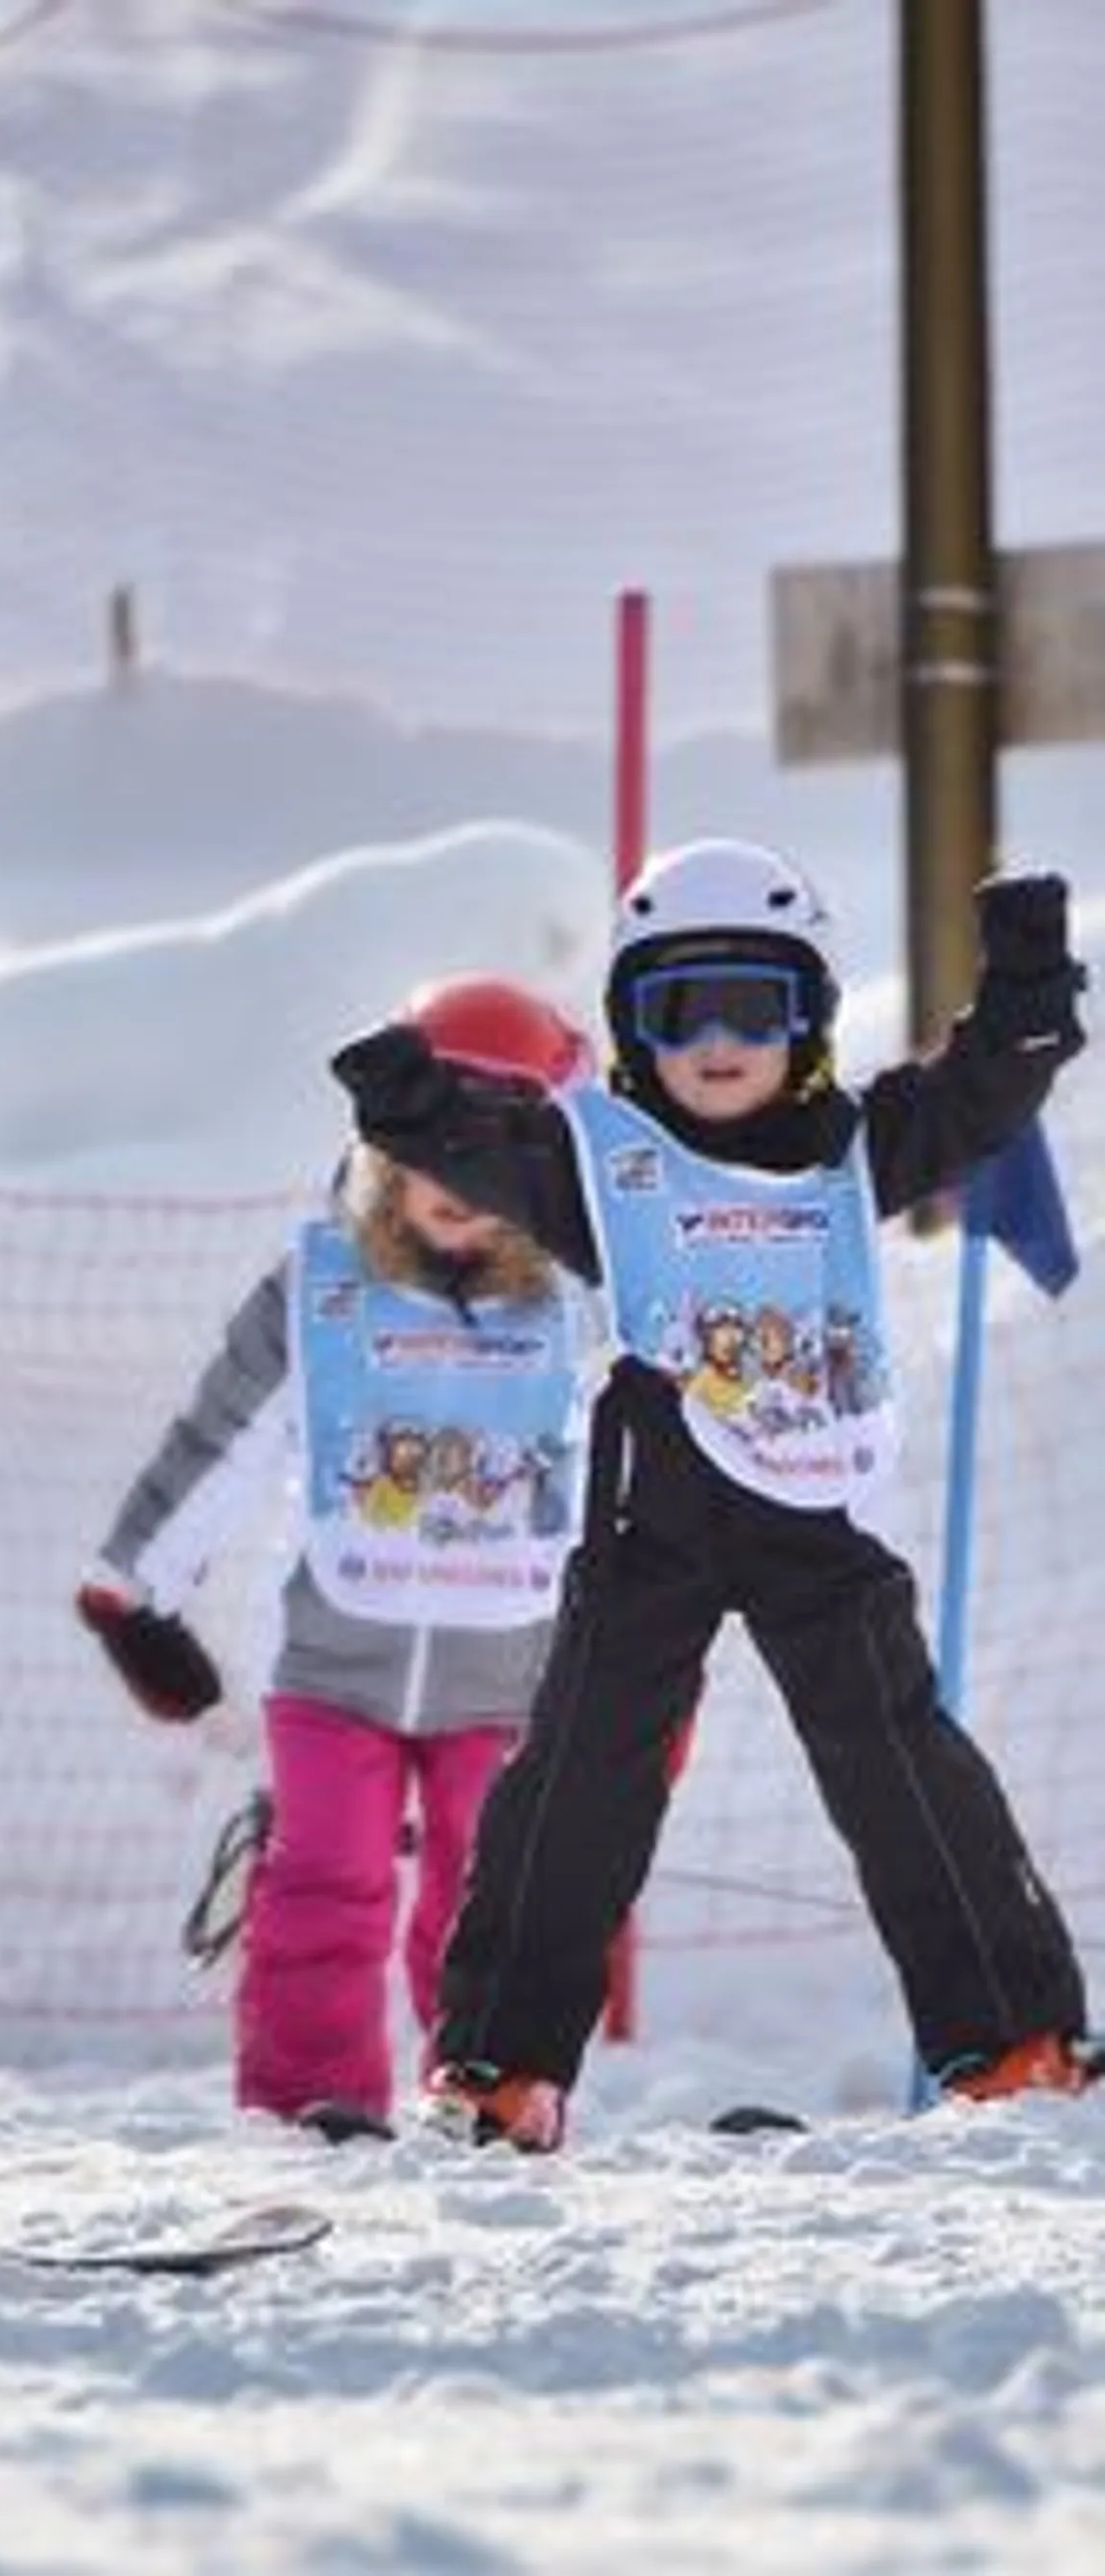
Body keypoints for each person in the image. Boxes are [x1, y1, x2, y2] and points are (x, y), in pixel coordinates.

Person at [334, 839, 1092, 2150]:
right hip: (654, 1517)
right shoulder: (600, 1157)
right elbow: (487, 1145)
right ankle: (499, 2065)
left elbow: (973, 1101)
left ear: (809, 1016)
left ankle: (1013, 2037)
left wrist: (1025, 1000)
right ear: (635, 1029)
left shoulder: (853, 1144)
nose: (720, 1041)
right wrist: (407, 1104)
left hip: (809, 1509)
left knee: (895, 1751)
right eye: (681, 1009)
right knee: (579, 1773)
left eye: (757, 1004)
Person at [77, 977, 595, 2140]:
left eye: (491, 1152)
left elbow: (630, 1474)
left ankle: (487, 2089)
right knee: (322, 1882)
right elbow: (221, 1436)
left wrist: (647, 1658)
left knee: (492, 1898)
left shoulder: (576, 1308)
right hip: (329, 1668)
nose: (459, 1179)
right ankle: (308, 2105)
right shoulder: (322, 1288)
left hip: (506, 1677)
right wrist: (136, 1588)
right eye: (434, 1146)